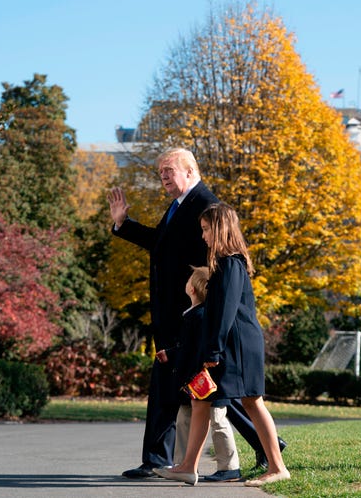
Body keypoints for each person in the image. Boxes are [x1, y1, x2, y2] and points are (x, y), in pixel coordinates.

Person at [155, 202, 290, 487]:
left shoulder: (230, 263)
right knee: (200, 397)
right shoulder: (226, 264)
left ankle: (278, 467)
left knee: (252, 401)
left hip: (236, 346)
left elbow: (226, 311)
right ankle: (188, 466)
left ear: (218, 229)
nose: (203, 235)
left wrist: (213, 350)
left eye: (205, 229)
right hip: (229, 343)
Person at [107, 147, 218, 478]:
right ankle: (156, 458)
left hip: (187, 311)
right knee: (170, 386)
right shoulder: (180, 205)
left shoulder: (205, 204)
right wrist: (123, 224)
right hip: (174, 312)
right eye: (160, 173)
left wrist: (201, 305)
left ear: (190, 170)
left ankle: (264, 443)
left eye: (169, 170)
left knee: (211, 388)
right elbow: (161, 244)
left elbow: (213, 261)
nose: (164, 177)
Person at [165, 266, 242, 483]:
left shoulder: (202, 316)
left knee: (218, 419)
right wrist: (172, 354)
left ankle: (229, 466)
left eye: (190, 279)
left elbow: (197, 350)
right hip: (194, 381)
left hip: (208, 380)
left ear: (193, 288)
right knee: (184, 419)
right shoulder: (193, 315)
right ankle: (183, 464)